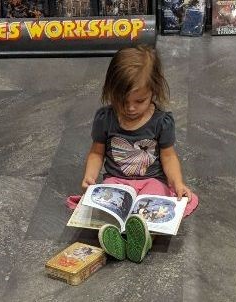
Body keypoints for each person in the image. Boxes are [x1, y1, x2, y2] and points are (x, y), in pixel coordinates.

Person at [65, 45, 199, 263]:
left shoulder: (161, 122)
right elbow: (96, 152)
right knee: (112, 208)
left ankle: (144, 239)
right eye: (122, 100)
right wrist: (90, 176)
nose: (130, 108)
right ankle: (115, 237)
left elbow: (168, 156)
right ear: (111, 91)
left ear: (153, 92)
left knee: (153, 209)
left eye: (139, 101)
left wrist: (178, 183)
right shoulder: (105, 118)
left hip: (152, 181)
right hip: (117, 180)